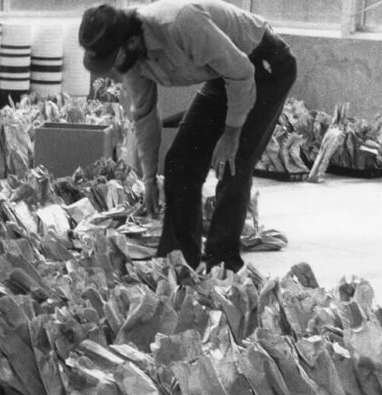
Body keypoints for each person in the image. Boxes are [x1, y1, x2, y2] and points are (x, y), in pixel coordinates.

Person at [78, 0, 297, 272]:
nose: (113, 73)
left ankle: (223, 265)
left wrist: (231, 134)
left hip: (264, 65)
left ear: (130, 43)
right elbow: (145, 115)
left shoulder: (181, 23)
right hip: (224, 74)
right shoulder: (131, 60)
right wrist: (148, 180)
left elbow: (242, 73)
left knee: (234, 164)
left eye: (112, 62)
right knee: (179, 162)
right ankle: (180, 264)